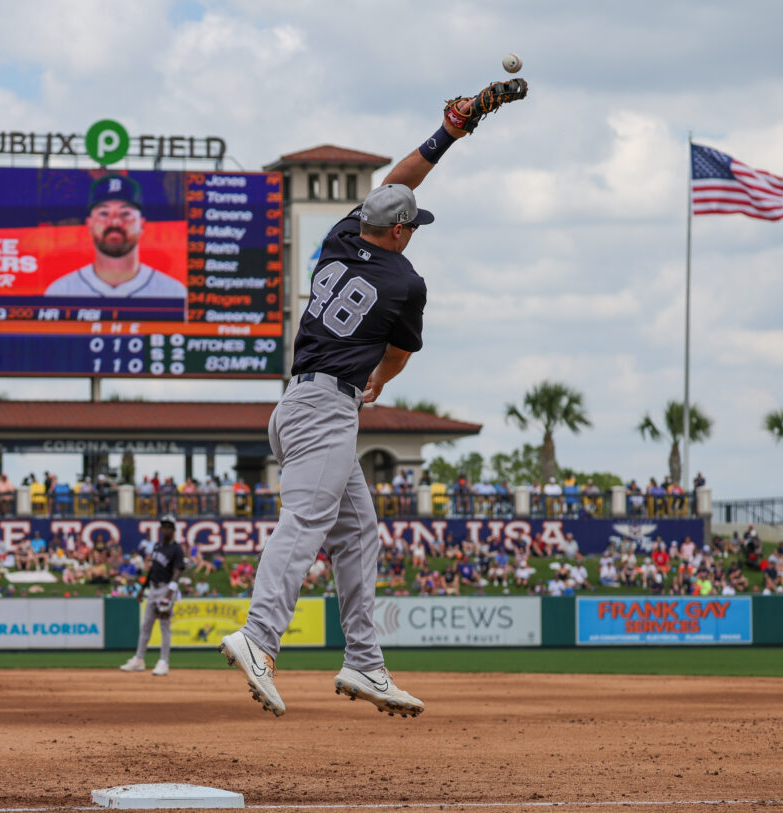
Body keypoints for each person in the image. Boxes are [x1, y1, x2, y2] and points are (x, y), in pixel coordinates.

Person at [218, 78, 526, 719]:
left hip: (296, 406)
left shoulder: (340, 237)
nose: (415, 229)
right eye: (412, 224)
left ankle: (365, 662)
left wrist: (449, 132)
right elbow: (400, 352)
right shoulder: (406, 280)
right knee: (304, 522)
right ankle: (257, 636)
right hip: (328, 410)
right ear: (401, 232)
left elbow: (395, 180)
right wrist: (379, 385)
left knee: (360, 533)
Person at [44, 175, 186, 302]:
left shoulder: (173, 292)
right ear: (89, 224)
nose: (115, 222)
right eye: (104, 213)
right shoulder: (61, 291)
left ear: (142, 224)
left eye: (125, 213)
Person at [120, 513, 184, 677]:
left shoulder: (176, 549)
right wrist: (142, 588)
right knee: (146, 626)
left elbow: (177, 572)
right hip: (153, 589)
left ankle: (163, 662)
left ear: (173, 530)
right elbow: (152, 570)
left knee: (164, 626)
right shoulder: (157, 546)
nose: (166, 529)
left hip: (165, 589)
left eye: (169, 527)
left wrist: (169, 594)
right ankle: (139, 659)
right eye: (164, 526)